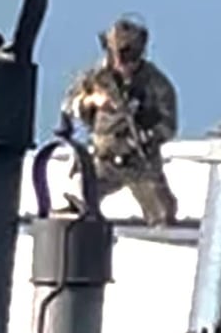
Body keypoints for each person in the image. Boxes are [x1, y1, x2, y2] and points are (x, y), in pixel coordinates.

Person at [61, 15, 179, 226]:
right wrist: (91, 101)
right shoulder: (95, 77)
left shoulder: (155, 83)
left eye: (128, 54)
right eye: (117, 54)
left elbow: (169, 125)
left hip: (140, 162)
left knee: (163, 216)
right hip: (103, 160)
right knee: (76, 202)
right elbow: (68, 105)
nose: (121, 62)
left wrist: (146, 136)